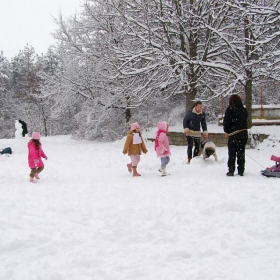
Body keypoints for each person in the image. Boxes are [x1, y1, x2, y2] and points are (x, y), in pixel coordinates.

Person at [223, 94, 248, 176]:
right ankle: (241, 170)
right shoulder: (244, 110)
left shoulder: (230, 109)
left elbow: (226, 122)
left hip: (234, 134)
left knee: (232, 153)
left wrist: (226, 131)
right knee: (241, 152)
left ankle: (231, 170)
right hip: (243, 133)